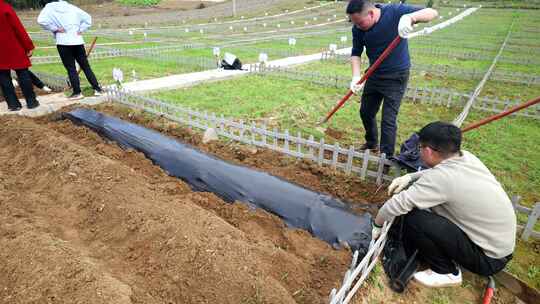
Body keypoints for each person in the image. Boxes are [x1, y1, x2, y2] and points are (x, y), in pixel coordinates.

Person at [372, 122, 516, 288]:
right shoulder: (466, 157)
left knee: (415, 219)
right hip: (497, 245)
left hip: (487, 258)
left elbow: (395, 205)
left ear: (427, 150)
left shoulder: (442, 179)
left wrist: (377, 225)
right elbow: (440, 173)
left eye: (419, 147)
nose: (419, 151)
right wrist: (411, 177)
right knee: (424, 214)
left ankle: (447, 272)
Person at [347, 0, 438, 157]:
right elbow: (356, 52)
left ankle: (386, 157)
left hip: (396, 76)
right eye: (354, 23)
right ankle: (371, 142)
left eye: (360, 22)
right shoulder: (358, 28)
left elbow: (432, 13)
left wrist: (410, 17)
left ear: (371, 13)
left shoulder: (395, 11)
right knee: (366, 112)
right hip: (374, 74)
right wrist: (356, 76)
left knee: (388, 119)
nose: (358, 26)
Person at [37, 0, 103, 100]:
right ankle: (97, 89)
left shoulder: (49, 8)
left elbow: (41, 20)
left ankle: (77, 92)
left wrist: (55, 28)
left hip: (63, 42)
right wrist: (81, 29)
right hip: (77, 40)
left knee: (71, 68)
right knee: (86, 66)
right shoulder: (71, 7)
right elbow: (88, 18)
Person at [0, 0, 40, 111]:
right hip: (12, 46)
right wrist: (28, 46)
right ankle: (31, 102)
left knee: (3, 76)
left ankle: (13, 104)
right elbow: (17, 27)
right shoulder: (4, 7)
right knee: (23, 73)